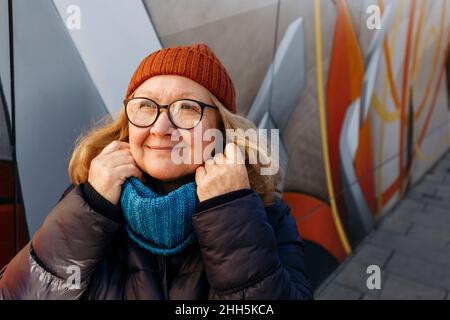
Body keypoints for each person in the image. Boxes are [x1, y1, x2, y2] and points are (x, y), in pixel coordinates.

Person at [0, 43, 313, 299]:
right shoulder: (88, 202)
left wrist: (229, 215)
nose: (161, 128)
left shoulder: (264, 214)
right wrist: (91, 207)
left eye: (187, 108)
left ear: (220, 128)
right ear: (126, 122)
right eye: (145, 107)